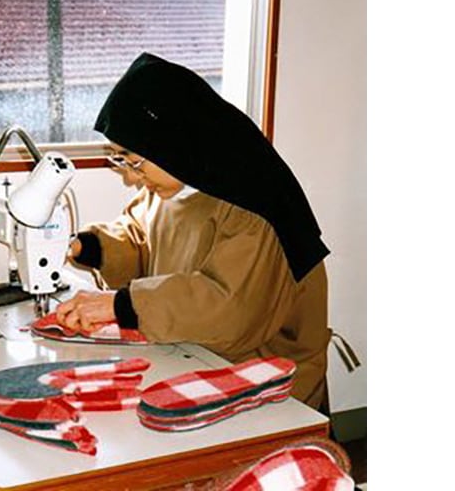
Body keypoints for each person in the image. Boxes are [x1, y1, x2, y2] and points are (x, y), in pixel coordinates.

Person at [56, 53, 331, 410]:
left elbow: (228, 307)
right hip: (202, 357)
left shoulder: (255, 203)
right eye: (120, 160)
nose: (130, 177)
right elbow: (141, 239)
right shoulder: (179, 183)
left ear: (173, 144)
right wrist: (87, 247)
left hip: (268, 378)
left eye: (135, 162)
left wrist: (121, 305)